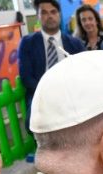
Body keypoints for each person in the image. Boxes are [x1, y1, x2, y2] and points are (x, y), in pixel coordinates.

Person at [19, 0, 85, 130]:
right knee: (34, 122)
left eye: (53, 12)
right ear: (38, 16)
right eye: (44, 12)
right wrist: (49, 92)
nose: (49, 16)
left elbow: (83, 72)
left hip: (70, 93)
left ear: (59, 15)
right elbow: (26, 76)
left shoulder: (75, 43)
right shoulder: (27, 43)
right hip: (41, 94)